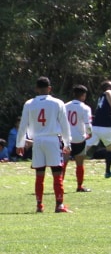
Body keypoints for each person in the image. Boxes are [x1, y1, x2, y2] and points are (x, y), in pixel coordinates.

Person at [16, 77, 72, 213]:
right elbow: (65, 124)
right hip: (53, 139)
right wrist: (67, 143)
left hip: (38, 141)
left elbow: (23, 124)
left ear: (36, 89)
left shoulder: (29, 103)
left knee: (39, 173)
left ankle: (39, 205)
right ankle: (59, 205)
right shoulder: (58, 103)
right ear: (49, 88)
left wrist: (20, 143)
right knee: (57, 172)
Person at [86, 80, 111, 178]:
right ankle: (108, 172)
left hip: (96, 126)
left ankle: (69, 159)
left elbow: (104, 111)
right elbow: (108, 92)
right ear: (109, 87)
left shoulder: (101, 97)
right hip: (106, 127)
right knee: (110, 149)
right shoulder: (109, 92)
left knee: (84, 149)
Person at [63, 85, 93, 192]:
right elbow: (88, 124)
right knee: (80, 163)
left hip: (67, 138)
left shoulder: (65, 106)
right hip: (79, 138)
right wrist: (89, 134)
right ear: (83, 95)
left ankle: (59, 185)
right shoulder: (85, 108)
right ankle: (79, 186)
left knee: (64, 162)